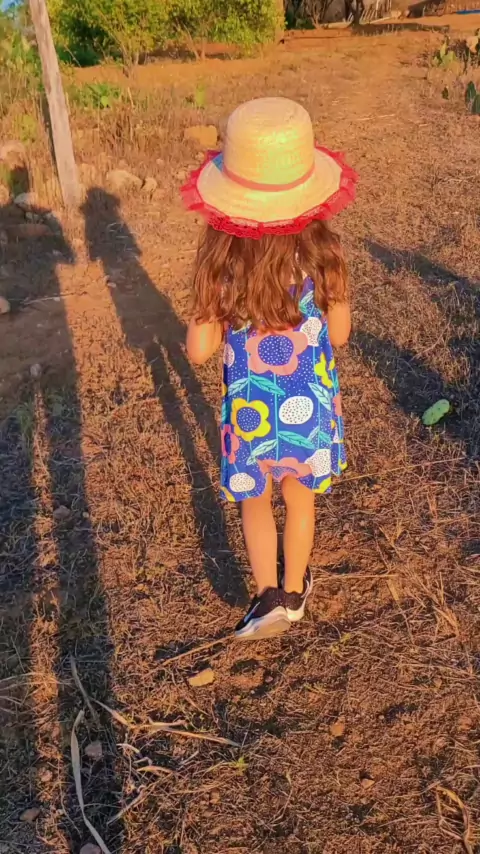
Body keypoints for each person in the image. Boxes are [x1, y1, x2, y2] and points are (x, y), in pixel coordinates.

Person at [181, 97, 358, 640]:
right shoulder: (325, 258)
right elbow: (340, 334)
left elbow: (198, 350)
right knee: (299, 499)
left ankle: (266, 596)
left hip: (250, 411)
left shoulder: (222, 264)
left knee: (254, 501)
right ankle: (296, 589)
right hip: (309, 407)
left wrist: (209, 309)